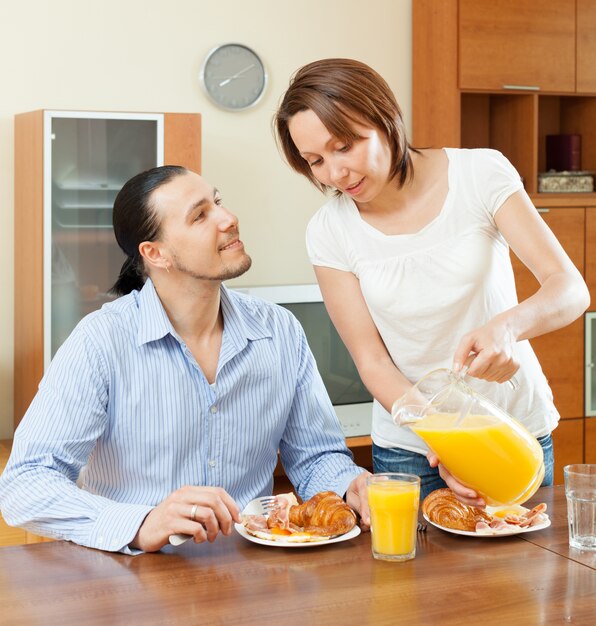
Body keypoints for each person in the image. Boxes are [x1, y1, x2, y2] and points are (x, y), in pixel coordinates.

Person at [0, 165, 370, 554]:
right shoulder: (100, 342)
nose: (228, 219)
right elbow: (25, 483)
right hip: (134, 577)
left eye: (218, 202)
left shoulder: (280, 331)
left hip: (251, 576)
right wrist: (141, 523)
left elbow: (316, 457)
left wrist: (350, 484)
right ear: (155, 253)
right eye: (200, 215)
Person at [273, 58, 590, 505]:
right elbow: (372, 362)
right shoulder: (330, 230)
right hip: (413, 449)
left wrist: (508, 327)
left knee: (525, 572)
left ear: (383, 117)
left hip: (512, 431)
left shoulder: (479, 174)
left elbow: (569, 288)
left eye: (344, 146)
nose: (334, 174)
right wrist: (447, 440)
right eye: (316, 161)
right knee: (415, 575)